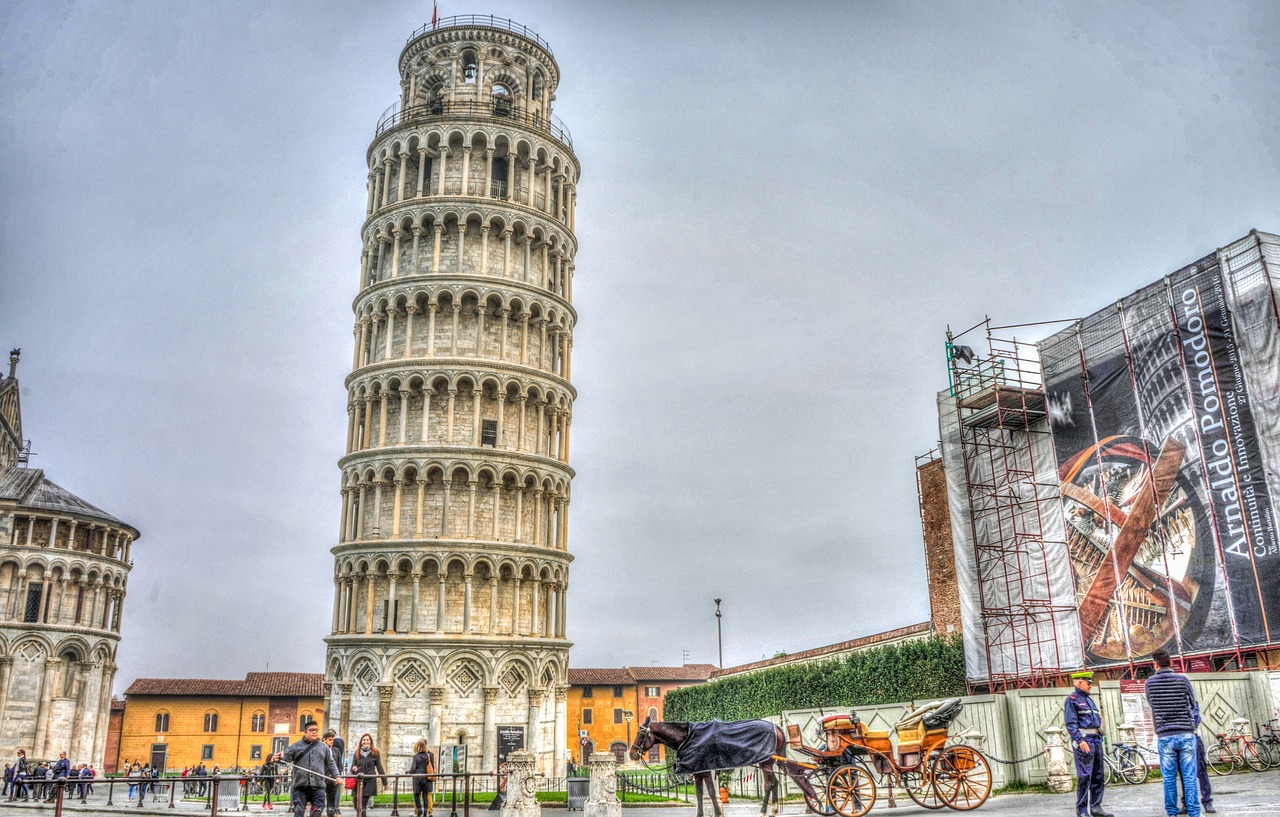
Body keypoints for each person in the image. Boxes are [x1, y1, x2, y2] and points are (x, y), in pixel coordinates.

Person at [1145, 649, 1203, 817]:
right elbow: (1192, 704)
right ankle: (1194, 813)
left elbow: (1152, 703)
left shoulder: (1150, 683)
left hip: (1165, 735)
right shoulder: (1183, 680)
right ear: (1170, 663)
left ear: (1155, 664)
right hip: (1185, 733)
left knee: (1169, 779)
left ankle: (1172, 813)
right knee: (1189, 777)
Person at [1064, 670, 1111, 817]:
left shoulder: (1090, 700)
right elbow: (1071, 723)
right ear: (1078, 683)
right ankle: (1082, 810)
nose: (1090, 685)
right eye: (1087, 683)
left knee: (1098, 775)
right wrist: (1080, 740)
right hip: (1085, 741)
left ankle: (1096, 807)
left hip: (1096, 740)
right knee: (1085, 776)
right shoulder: (1072, 699)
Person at [274, 720, 339, 817]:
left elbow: (331, 763)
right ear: (305, 732)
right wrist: (277, 759)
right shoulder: (295, 746)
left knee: (317, 812)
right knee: (299, 812)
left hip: (318, 786)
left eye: (316, 730)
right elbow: (285, 759)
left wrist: (337, 775)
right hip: (301, 786)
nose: (314, 732)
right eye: (311, 730)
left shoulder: (323, 747)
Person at [350, 733, 387, 814]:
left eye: (367, 740)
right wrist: (354, 768)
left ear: (370, 741)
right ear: (361, 742)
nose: (365, 741)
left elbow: (379, 767)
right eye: (364, 740)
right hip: (358, 781)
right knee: (356, 804)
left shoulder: (375, 753)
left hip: (370, 781)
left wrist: (385, 782)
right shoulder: (357, 753)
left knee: (362, 804)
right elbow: (353, 767)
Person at [408, 738, 436, 817]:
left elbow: (413, 768)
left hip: (417, 779)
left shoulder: (416, 757)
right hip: (426, 779)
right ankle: (425, 813)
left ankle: (419, 811)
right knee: (425, 796)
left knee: (416, 795)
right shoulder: (428, 756)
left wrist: (409, 772)